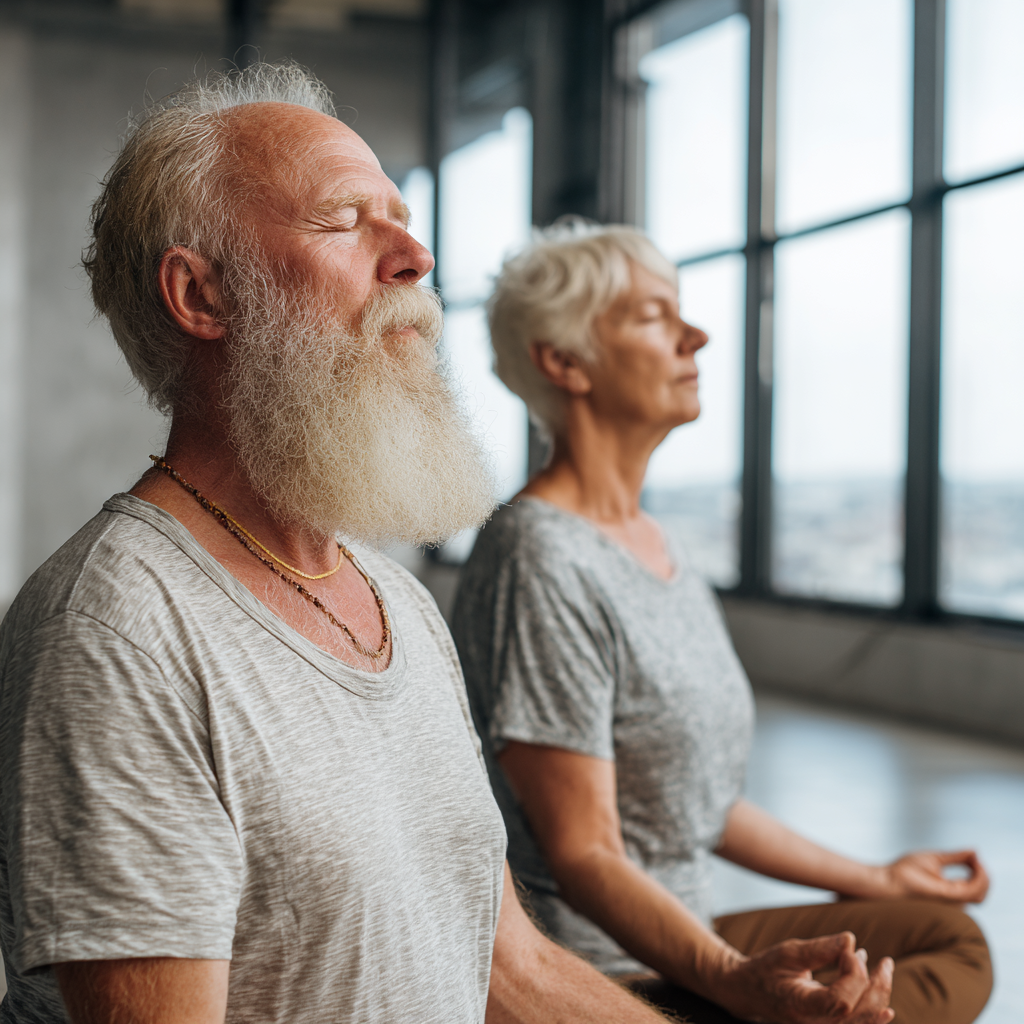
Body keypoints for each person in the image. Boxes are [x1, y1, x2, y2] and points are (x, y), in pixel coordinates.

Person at [0, 64, 699, 1024]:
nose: (414, 254)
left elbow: (510, 971)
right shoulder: (116, 634)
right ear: (202, 295)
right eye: (342, 220)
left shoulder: (396, 601)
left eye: (402, 218)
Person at [451, 220, 993, 1024]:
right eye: (652, 316)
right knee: (925, 971)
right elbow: (584, 850)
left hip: (685, 937)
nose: (696, 335)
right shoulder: (538, 555)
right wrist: (736, 979)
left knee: (943, 934)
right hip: (608, 974)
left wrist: (876, 878)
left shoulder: (653, 544)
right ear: (564, 362)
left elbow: (699, 804)